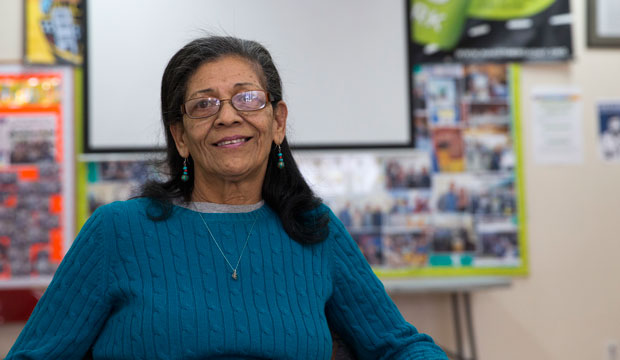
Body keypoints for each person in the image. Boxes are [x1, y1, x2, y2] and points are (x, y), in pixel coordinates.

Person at [7, 36, 448, 359]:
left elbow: (398, 346)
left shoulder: (315, 229)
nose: (228, 116)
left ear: (277, 122)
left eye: (248, 99)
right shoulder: (117, 231)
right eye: (204, 105)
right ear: (180, 136)